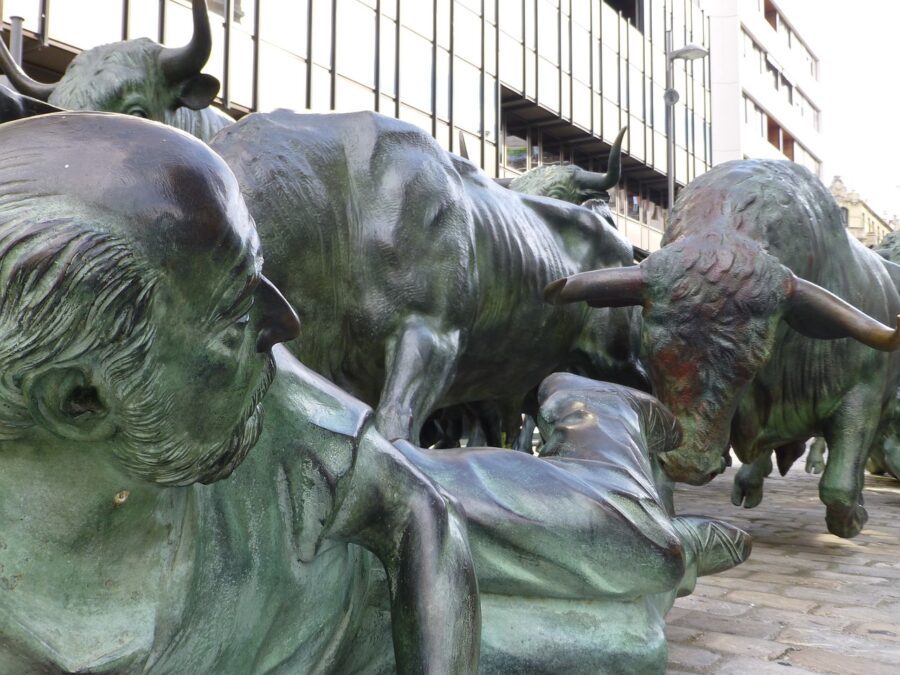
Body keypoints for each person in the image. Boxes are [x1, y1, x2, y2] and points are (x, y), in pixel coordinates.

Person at [0, 110, 749, 674]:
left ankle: (598, 413)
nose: (282, 324)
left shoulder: (261, 394)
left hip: (403, 549)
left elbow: (415, 508)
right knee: (629, 646)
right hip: (351, 640)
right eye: (233, 317)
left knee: (637, 550)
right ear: (79, 401)